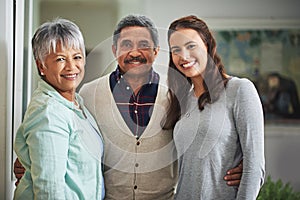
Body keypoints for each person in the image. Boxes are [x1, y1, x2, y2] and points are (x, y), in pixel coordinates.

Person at [14, 14, 242, 199]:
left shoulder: (177, 95)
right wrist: (33, 159)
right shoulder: (88, 94)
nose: (134, 52)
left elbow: (197, 137)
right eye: (126, 45)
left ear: (155, 52)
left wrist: (232, 163)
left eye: (143, 45)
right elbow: (56, 142)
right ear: (114, 51)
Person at [163, 15, 265, 199]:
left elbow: (254, 167)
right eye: (176, 50)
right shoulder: (182, 99)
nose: (183, 56)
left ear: (207, 45)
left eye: (191, 46)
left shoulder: (239, 89)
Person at [13, 18, 105, 199]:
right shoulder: (49, 113)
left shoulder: (77, 104)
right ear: (41, 66)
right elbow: (49, 190)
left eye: (77, 57)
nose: (71, 67)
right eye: (60, 59)